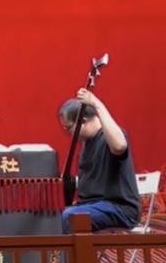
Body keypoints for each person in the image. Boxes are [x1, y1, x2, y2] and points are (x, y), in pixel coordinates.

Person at [58, 88, 140, 233]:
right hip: (94, 206)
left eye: (68, 128)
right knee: (53, 217)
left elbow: (120, 146)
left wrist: (97, 104)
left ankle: (78, 250)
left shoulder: (109, 137)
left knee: (70, 217)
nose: (69, 134)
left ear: (83, 121)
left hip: (118, 208)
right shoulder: (86, 145)